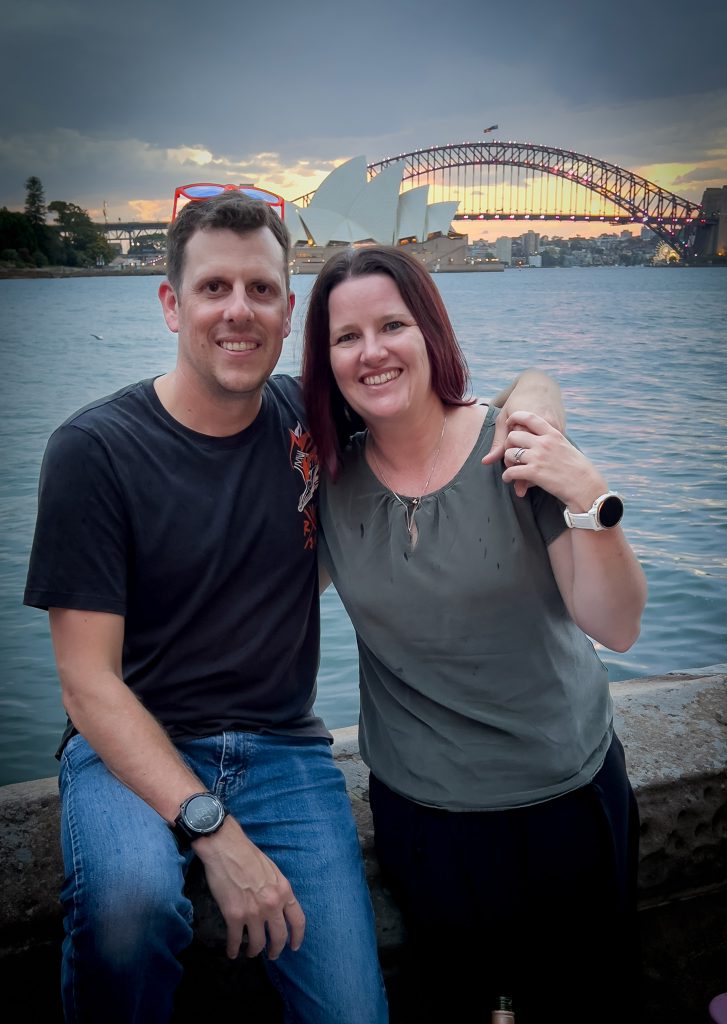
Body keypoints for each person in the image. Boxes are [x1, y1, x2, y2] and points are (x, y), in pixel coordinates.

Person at [22, 190, 562, 1024]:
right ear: (171, 304)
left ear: (286, 312)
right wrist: (212, 829)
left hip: (281, 748)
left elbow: (445, 394)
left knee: (351, 1008)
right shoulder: (94, 452)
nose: (238, 312)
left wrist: (538, 401)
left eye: (261, 290)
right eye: (213, 289)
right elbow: (87, 686)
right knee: (129, 912)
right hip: (126, 747)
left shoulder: (309, 417)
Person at [301, 245, 648, 1024]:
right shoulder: (329, 485)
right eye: (347, 337)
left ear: (430, 330)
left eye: (393, 324)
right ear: (326, 362)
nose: (373, 351)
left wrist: (590, 492)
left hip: (565, 801)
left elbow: (617, 625)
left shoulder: (513, 452)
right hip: (423, 820)